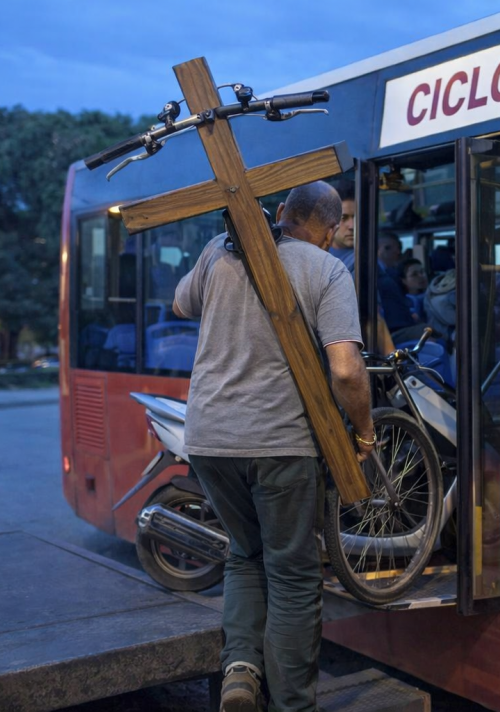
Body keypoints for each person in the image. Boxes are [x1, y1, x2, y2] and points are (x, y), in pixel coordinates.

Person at [173, 181, 374, 712]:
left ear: (281, 212)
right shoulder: (327, 268)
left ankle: (240, 670)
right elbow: (348, 370)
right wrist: (366, 431)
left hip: (210, 437)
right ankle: (291, 705)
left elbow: (180, 302)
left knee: (245, 555)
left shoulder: (219, 250)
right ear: (331, 231)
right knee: (292, 571)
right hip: (280, 441)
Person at [328, 180, 356, 272]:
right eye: (344, 217)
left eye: (357, 218)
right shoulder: (315, 256)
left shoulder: (365, 261)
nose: (352, 226)